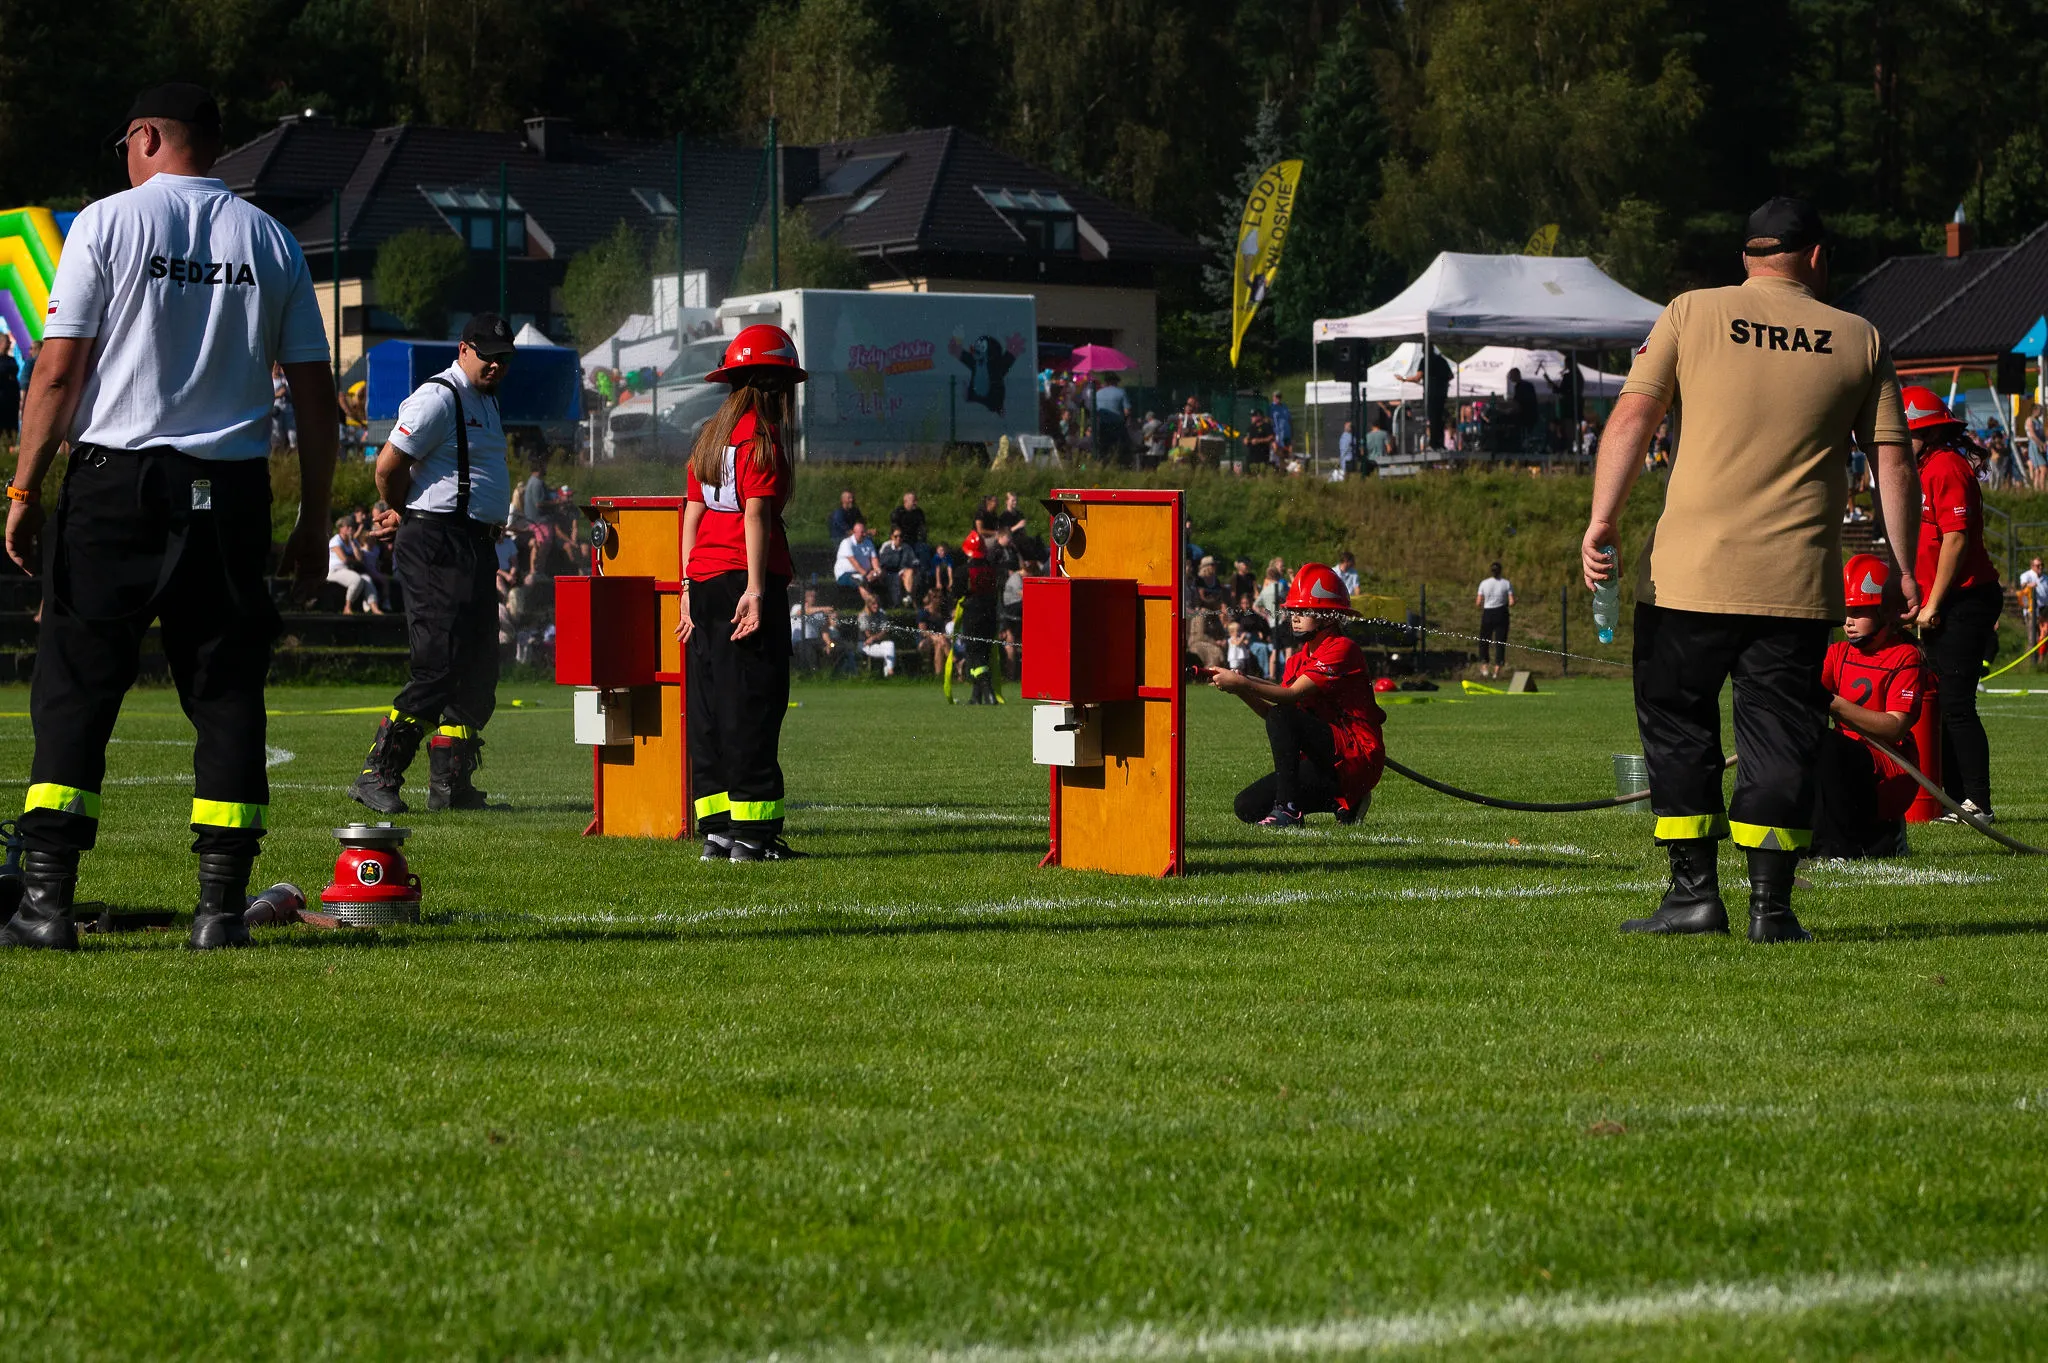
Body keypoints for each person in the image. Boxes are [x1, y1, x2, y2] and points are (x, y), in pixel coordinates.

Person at [0, 83, 336, 952]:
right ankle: (220, 910)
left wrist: (25, 490)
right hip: (231, 491)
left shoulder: (106, 224)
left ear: (146, 136)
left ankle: (45, 905)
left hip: (116, 485)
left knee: (76, 687)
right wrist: (312, 519)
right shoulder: (271, 239)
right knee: (227, 693)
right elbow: (314, 396)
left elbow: (58, 373)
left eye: (126, 144)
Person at [1582, 196, 1917, 944]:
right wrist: (1902, 564)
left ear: (1746, 257)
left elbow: (1633, 416)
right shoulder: (1859, 337)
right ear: (1817, 257)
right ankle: (1772, 906)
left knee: (1679, 729)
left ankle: (1693, 895)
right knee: (1781, 737)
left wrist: (1603, 519)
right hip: (1794, 584)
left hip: (1687, 577)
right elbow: (1893, 460)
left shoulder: (1691, 312)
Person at [350, 313, 518, 814]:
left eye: (504, 358)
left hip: (472, 544)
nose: (496, 365)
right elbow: (387, 466)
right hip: (437, 544)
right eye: (488, 355)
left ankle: (451, 785)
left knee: (479, 669)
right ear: (463, 349)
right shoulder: (438, 397)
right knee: (438, 665)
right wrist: (405, 512)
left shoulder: (485, 399)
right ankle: (377, 773)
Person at [677, 323, 806, 861]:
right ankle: (754, 837)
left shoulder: (710, 436)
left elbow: (692, 514)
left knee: (710, 707)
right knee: (753, 704)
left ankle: (718, 832)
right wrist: (755, 590)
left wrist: (686, 585)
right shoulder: (760, 439)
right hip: (743, 580)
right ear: (776, 387)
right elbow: (756, 514)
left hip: (705, 581)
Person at [1211, 563, 1386, 829]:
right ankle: (1345, 802)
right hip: (1328, 758)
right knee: (1247, 806)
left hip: (1357, 757)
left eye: (1304, 611)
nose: (1294, 617)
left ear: (1328, 616)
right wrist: (1240, 689)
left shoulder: (1343, 648)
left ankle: (1288, 810)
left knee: (1283, 713)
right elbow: (1274, 715)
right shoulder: (1297, 660)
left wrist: (1243, 682)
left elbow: (1289, 697)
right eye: (1293, 610)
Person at [1899, 385, 2003, 822]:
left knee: (1957, 704)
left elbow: (1955, 540)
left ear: (1928, 432)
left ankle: (1978, 803)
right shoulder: (1923, 469)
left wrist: (1934, 604)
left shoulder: (1945, 468)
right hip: (1942, 600)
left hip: (1965, 599)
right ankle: (1955, 799)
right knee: (1942, 703)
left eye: (1906, 431)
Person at [1811, 554, 1928, 860]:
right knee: (1803, 742)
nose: (1848, 621)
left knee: (1827, 746)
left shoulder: (1905, 656)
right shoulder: (1837, 653)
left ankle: (1844, 846)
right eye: (1846, 611)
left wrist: (1833, 703)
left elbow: (1895, 726)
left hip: (1890, 769)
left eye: (1858, 611)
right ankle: (1818, 840)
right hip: (1844, 764)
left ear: (1885, 610)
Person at [954, 530, 1003, 704]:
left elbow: (956, 593)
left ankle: (989, 693)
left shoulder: (963, 571)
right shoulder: (992, 569)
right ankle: (976, 697)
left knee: (975, 656)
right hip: (990, 616)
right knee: (984, 655)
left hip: (973, 616)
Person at [327, 516, 380, 614]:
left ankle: (374, 608)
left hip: (348, 570)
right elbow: (345, 560)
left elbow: (359, 558)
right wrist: (354, 560)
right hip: (335, 571)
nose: (350, 528)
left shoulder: (353, 541)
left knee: (368, 580)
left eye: (351, 526)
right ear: (340, 528)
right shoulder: (335, 541)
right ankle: (347, 607)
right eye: (347, 526)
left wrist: (352, 542)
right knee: (356, 580)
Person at [1401, 349, 1453, 448]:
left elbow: (1417, 377)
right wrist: (1441, 381)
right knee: (1439, 418)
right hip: (1441, 393)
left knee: (1433, 418)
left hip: (1431, 393)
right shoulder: (1442, 360)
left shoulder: (1425, 361)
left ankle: (1434, 443)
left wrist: (1404, 379)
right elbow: (1450, 376)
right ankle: (1439, 442)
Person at [1474, 562, 1513, 679]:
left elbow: (1478, 602)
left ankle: (1484, 666)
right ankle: (1497, 670)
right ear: (1501, 571)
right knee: (1500, 641)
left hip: (1488, 613)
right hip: (1501, 612)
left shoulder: (1484, 583)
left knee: (1484, 640)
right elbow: (1511, 602)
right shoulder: (1506, 583)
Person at [790, 587, 833, 675]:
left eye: (815, 596)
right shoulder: (797, 607)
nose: (813, 598)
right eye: (811, 596)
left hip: (815, 641)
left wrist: (829, 643)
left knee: (836, 647)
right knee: (809, 648)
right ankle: (813, 673)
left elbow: (824, 630)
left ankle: (831, 673)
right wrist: (822, 608)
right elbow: (803, 612)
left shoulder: (820, 613)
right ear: (805, 597)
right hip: (800, 641)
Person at [1093, 370, 1130, 464]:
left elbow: (1095, 411)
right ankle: (1119, 464)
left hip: (1103, 425)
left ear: (1106, 382)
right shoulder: (1121, 392)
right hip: (1117, 425)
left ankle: (1102, 464)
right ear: (1115, 382)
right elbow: (1127, 411)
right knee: (1120, 447)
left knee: (1104, 448)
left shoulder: (1098, 393)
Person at [834, 520, 882, 594]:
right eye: (862, 532)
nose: (864, 534)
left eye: (865, 532)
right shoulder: (847, 543)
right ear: (855, 532)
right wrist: (867, 574)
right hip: (845, 575)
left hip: (864, 573)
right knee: (861, 581)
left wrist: (877, 571)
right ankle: (873, 601)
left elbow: (874, 559)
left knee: (881, 576)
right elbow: (855, 563)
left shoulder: (868, 542)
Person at [877, 524, 920, 605]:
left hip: (902, 572)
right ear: (891, 537)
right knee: (896, 601)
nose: (898, 538)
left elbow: (914, 560)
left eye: (901, 536)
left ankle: (909, 596)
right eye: (896, 536)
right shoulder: (886, 546)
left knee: (910, 572)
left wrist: (914, 567)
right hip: (889, 572)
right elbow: (880, 562)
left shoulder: (907, 547)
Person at [2017, 556, 2048, 655]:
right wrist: (2028, 585)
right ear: (2032, 566)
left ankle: (2041, 658)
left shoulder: (2046, 578)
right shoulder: (2027, 575)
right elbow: (2023, 585)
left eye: (2042, 565)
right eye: (2038, 565)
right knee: (2033, 637)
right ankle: (2030, 658)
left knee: (2043, 636)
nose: (2040, 567)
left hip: (2044, 611)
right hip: (2031, 611)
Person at [0, 333, 19, 442]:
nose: (9, 344)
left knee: (11, 428)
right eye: (7, 342)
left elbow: (13, 371)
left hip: (11, 400)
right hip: (2, 399)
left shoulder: (11, 359)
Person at [1269, 390, 1294, 463]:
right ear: (1273, 397)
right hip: (1277, 434)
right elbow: (1269, 421)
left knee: (1288, 451)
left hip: (1287, 433)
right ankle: (1278, 466)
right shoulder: (1271, 407)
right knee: (1278, 452)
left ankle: (1286, 466)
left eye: (1279, 397)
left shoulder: (1284, 406)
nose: (1278, 398)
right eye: (1276, 397)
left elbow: (1289, 420)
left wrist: (1292, 433)